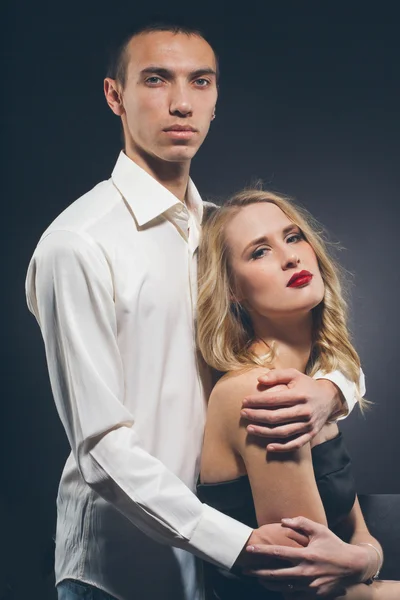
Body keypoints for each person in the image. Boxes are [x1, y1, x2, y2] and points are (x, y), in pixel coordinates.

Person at [25, 23, 367, 600]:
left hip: (217, 566)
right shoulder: (78, 243)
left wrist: (331, 391)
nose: (181, 102)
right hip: (121, 573)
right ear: (116, 95)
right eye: (156, 80)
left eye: (200, 82)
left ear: (215, 99)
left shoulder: (224, 234)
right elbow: (102, 450)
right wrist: (236, 543)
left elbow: (324, 336)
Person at [197, 189, 400, 599]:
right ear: (233, 290)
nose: (291, 257)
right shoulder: (263, 392)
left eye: (293, 237)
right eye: (259, 252)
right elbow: (310, 587)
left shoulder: (313, 383)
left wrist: (367, 560)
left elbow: (357, 536)